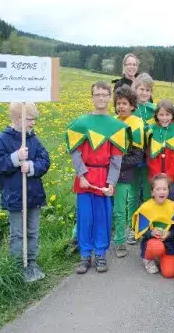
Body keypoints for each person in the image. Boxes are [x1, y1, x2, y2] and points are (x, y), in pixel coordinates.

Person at [65, 81, 131, 274]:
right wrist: (81, 174)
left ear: (109, 97)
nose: (101, 98)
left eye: (104, 94)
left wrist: (111, 182)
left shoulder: (116, 126)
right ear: (92, 97)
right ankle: (85, 255)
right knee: (85, 217)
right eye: (97, 94)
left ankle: (100, 254)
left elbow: (116, 158)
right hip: (85, 177)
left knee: (103, 217)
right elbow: (75, 152)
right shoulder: (81, 123)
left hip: (103, 176)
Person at [0, 102, 51, 283]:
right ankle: (17, 266)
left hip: (34, 195)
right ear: (16, 118)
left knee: (33, 231)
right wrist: (15, 158)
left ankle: (31, 262)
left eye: (34, 120)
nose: (33, 123)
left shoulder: (33, 139)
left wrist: (31, 166)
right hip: (15, 197)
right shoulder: (2, 140)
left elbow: (45, 161)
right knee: (18, 233)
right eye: (29, 119)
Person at [112, 86, 145, 257]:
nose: (121, 107)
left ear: (132, 105)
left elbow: (137, 156)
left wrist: (116, 164)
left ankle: (119, 242)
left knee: (120, 209)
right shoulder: (113, 120)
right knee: (109, 208)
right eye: (118, 103)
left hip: (124, 174)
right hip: (108, 173)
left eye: (124, 103)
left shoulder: (136, 124)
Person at [132, 174, 174, 277]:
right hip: (153, 242)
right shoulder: (146, 208)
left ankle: (165, 257)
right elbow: (141, 230)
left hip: (169, 242)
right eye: (158, 189)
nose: (162, 192)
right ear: (152, 192)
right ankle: (148, 259)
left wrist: (169, 233)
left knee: (169, 273)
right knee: (156, 247)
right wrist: (151, 232)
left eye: (164, 189)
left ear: (168, 190)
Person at [131, 73, 156, 220]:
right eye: (141, 89)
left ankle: (147, 221)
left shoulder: (154, 109)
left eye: (147, 90)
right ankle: (132, 222)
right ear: (135, 89)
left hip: (149, 156)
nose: (144, 93)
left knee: (147, 190)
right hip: (133, 155)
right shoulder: (131, 108)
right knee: (133, 192)